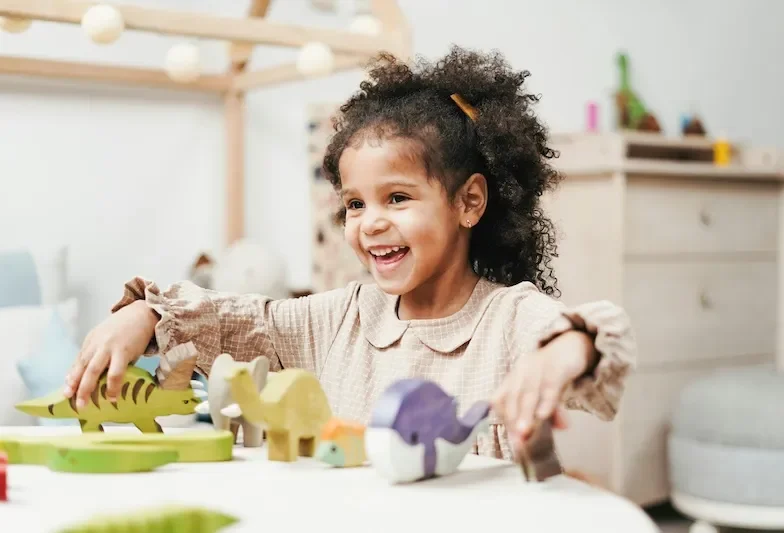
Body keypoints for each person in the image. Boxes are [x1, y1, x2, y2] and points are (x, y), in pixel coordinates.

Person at [63, 46, 636, 461]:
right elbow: (236, 321)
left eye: (398, 197)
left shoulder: (508, 319)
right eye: (355, 204)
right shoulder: (341, 318)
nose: (371, 223)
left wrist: (562, 353)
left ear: (469, 202)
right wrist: (145, 313)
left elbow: (601, 333)